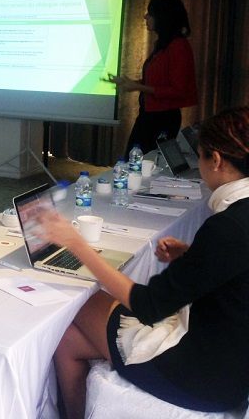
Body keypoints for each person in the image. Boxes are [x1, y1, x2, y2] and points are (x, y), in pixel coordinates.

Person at [41, 107, 249, 418]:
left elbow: (149, 304)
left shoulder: (227, 226)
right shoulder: (237, 219)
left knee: (82, 305)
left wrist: (76, 245)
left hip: (204, 376)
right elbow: (233, 270)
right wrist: (190, 255)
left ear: (216, 160)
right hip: (231, 365)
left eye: (201, 157)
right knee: (68, 340)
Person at [110, 0, 198, 155]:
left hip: (162, 118)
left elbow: (178, 90)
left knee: (142, 161)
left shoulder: (178, 46)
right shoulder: (163, 45)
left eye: (150, 13)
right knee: (134, 158)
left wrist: (137, 86)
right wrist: (132, 82)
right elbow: (158, 81)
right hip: (149, 114)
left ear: (163, 17)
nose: (145, 17)